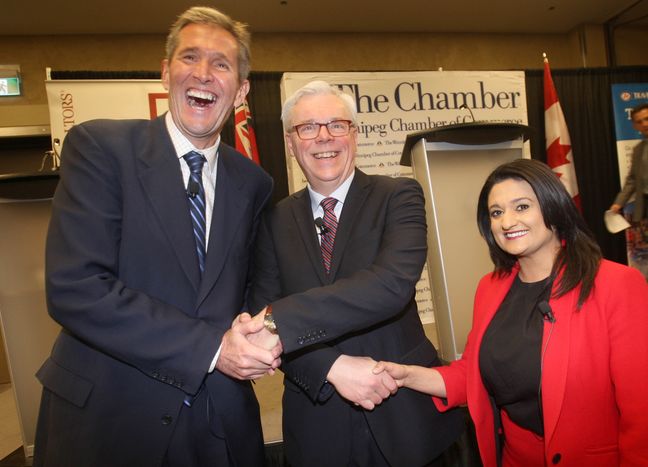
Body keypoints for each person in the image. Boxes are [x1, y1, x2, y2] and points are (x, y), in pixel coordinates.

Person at [33, 7, 280, 467]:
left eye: (221, 64)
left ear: (242, 89)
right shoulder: (101, 149)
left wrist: (262, 329)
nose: (203, 74)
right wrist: (212, 348)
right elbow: (76, 288)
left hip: (216, 423)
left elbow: (246, 288)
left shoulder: (253, 183)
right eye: (190, 58)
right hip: (108, 418)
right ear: (166, 72)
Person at [246, 80, 464, 467]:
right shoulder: (272, 221)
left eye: (337, 124)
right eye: (307, 127)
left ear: (355, 133)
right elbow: (262, 312)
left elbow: (390, 285)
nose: (323, 137)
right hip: (317, 423)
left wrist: (281, 319)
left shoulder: (398, 196)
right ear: (291, 143)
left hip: (405, 415)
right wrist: (331, 367)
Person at [375, 158, 648, 467]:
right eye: (496, 212)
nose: (507, 222)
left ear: (553, 207)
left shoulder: (616, 284)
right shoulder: (490, 288)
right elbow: (473, 374)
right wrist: (407, 375)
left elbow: (642, 409)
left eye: (521, 207)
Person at [610, 101, 648, 223]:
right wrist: (618, 203)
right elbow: (632, 179)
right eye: (639, 122)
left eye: (647, 119)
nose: (645, 124)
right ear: (635, 126)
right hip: (645, 205)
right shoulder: (638, 150)